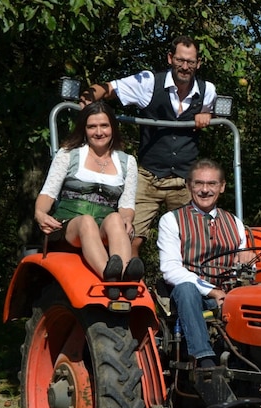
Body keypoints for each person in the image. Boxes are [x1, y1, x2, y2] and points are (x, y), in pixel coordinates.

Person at [80, 35, 218, 257]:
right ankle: (132, 285)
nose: (185, 67)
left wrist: (208, 114)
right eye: (180, 60)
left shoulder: (207, 90)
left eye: (190, 62)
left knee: (192, 242)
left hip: (184, 179)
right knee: (130, 236)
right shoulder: (148, 82)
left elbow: (214, 113)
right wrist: (87, 100)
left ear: (198, 64)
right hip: (149, 175)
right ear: (170, 58)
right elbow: (108, 88)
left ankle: (185, 287)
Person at [34, 101, 143, 299]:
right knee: (87, 221)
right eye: (92, 126)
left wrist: (127, 219)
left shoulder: (128, 162)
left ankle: (127, 276)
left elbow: (126, 205)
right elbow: (48, 193)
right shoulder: (68, 154)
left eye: (104, 126)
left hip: (104, 228)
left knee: (117, 219)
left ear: (113, 128)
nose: (99, 132)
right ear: (84, 129)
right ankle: (109, 276)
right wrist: (40, 213)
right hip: (70, 227)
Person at [158, 158, 247, 369]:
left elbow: (244, 266)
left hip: (229, 294)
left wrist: (245, 262)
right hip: (190, 298)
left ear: (222, 187)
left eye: (212, 184)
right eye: (199, 183)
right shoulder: (171, 220)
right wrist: (213, 292)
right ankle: (205, 362)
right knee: (186, 289)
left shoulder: (235, 222)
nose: (205, 190)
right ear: (189, 186)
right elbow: (170, 269)